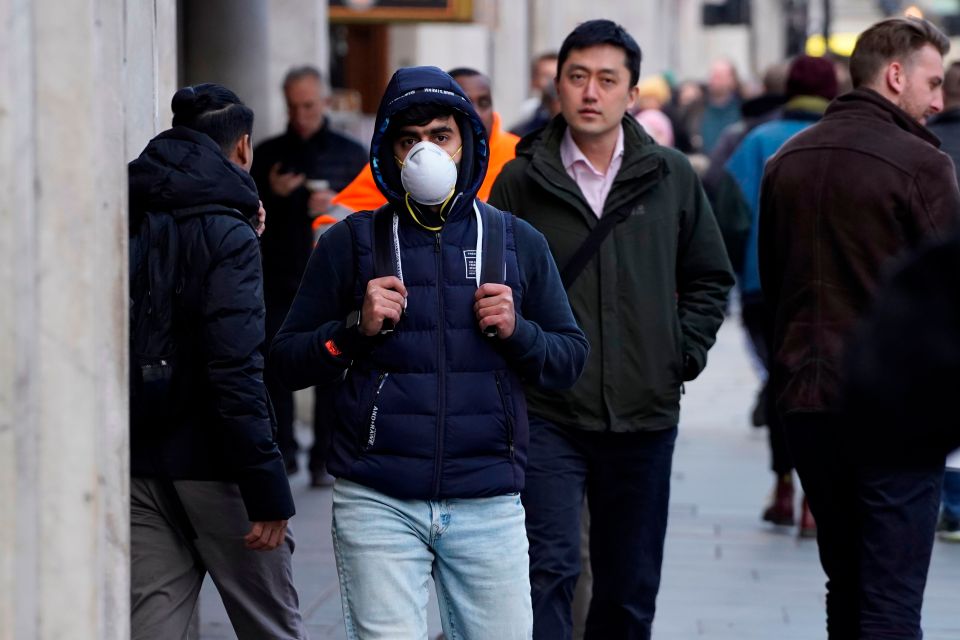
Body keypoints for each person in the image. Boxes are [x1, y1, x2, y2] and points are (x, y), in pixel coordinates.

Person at [270, 65, 588, 638]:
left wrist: (519, 330)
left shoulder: (516, 241)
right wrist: (353, 330)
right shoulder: (350, 242)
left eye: (439, 136)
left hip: (488, 499)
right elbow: (286, 360)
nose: (424, 152)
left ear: (466, 142)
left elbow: (568, 360)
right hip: (378, 500)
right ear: (388, 151)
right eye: (408, 140)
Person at [490, 20, 734, 640]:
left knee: (628, 586)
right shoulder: (522, 181)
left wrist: (680, 353)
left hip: (645, 415)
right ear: (557, 88)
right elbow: (494, 286)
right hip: (548, 411)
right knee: (547, 570)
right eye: (577, 78)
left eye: (607, 79)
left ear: (631, 94)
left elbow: (709, 275)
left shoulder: (671, 175)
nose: (590, 93)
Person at [758, 17, 960, 638]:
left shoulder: (786, 160)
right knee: (892, 600)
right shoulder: (922, 164)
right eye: (932, 82)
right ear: (895, 75)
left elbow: (774, 288)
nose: (939, 101)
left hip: (806, 404)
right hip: (894, 415)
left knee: (846, 583)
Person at [128, 83, 304, 639]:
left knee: (154, 627)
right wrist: (266, 487)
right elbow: (234, 368)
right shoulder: (230, 232)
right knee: (271, 625)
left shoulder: (126, 210)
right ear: (244, 148)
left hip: (139, 462)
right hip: (216, 466)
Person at [723, 54, 839, 535]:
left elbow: (731, 214)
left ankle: (785, 485)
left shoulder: (757, 142)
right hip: (831, 289)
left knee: (781, 382)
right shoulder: (842, 142)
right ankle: (817, 493)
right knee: (827, 387)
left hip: (763, 286)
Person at [251, 65, 367, 485]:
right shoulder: (267, 154)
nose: (301, 114)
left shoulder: (352, 153)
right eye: (294, 106)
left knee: (334, 366)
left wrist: (333, 205)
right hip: (279, 274)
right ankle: (285, 450)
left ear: (325, 103)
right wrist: (276, 197)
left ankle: (324, 456)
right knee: (274, 365)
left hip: (334, 277)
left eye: (309, 105)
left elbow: (368, 214)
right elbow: (249, 219)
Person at [332, 67, 519, 213]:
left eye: (440, 138)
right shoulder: (385, 169)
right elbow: (338, 218)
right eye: (410, 141)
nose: (476, 112)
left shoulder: (518, 155)